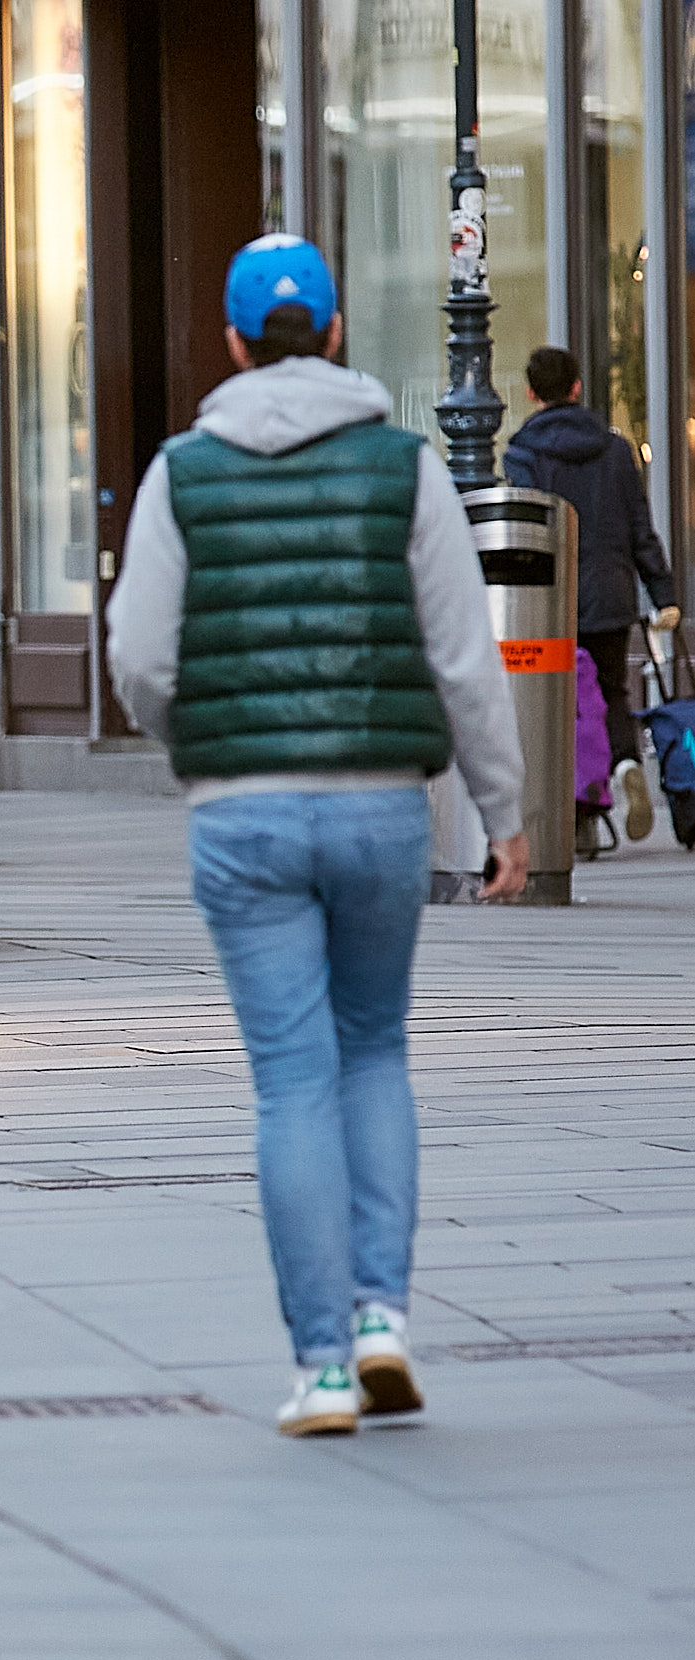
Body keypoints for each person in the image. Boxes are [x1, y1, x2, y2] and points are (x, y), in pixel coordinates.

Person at [105, 234, 528, 1439]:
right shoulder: (404, 465)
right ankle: (385, 1315)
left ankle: (324, 1367)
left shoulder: (181, 470)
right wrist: (505, 814)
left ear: (232, 343)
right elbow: (461, 654)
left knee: (291, 1078)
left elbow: (137, 658)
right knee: (374, 1052)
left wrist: (192, 725)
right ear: (335, 333)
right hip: (380, 803)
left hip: (239, 811)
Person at [503, 346, 681, 850]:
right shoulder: (614, 449)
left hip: (552, 599)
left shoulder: (522, 453)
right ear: (577, 388)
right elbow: (639, 528)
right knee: (612, 693)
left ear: (532, 393)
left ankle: (581, 815)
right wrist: (662, 594)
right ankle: (626, 761)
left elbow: (527, 531)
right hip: (610, 592)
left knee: (562, 706)